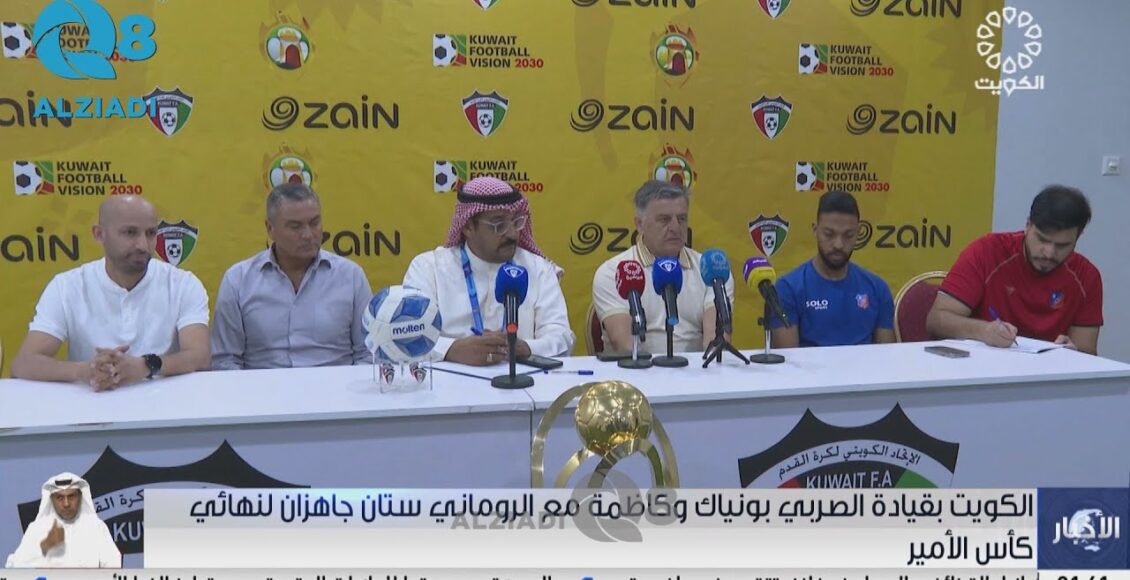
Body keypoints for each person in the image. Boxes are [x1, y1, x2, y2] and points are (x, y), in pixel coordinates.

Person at [11, 195, 210, 389]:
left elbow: (200, 357)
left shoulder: (183, 284)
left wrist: (146, 366)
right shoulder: (67, 286)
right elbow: (24, 363)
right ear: (99, 234)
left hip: (167, 403)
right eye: (130, 233)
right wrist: (86, 371)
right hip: (91, 401)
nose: (143, 245)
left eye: (150, 233)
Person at [404, 176, 574, 365]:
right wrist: (452, 349)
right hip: (450, 380)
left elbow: (561, 336)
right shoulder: (429, 269)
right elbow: (408, 335)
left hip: (523, 379)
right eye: (499, 225)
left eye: (516, 222)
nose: (512, 234)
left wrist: (526, 348)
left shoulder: (538, 268)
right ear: (468, 227)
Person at [211, 183, 372, 369]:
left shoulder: (351, 277)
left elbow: (369, 353)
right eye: (295, 227)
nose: (308, 235)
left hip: (337, 386)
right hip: (263, 386)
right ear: (270, 229)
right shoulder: (238, 281)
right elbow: (225, 361)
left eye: (315, 223)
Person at [927, 185, 1102, 354]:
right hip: (983, 366)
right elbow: (936, 320)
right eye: (1042, 239)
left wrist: (1073, 353)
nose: (1049, 253)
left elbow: (1087, 351)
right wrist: (984, 331)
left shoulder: (1086, 276)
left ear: (1078, 237)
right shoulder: (987, 252)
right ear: (1028, 225)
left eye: (1062, 245)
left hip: (1048, 371)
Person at [592, 180, 733, 353]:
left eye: (681, 219)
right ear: (639, 224)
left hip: (697, 368)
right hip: (637, 368)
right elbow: (625, 345)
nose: (675, 227)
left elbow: (716, 342)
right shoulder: (613, 273)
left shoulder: (711, 271)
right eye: (664, 220)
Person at [771, 191, 895, 347]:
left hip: (865, 364)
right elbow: (788, 358)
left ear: (858, 233)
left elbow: (887, 355)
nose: (838, 244)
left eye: (848, 235)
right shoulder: (788, 289)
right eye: (829, 234)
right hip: (808, 364)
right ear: (815, 230)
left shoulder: (878, 289)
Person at [5, 473, 121, 568]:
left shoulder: (96, 527)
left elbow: (113, 565)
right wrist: (44, 546)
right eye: (60, 498)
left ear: (80, 497)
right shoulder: (37, 529)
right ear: (51, 500)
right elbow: (14, 567)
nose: (66, 504)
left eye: (71, 496)